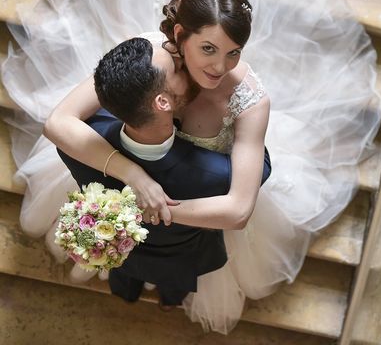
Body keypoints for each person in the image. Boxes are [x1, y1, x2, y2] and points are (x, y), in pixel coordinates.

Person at [1, 0, 381, 333]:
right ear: (180, 36)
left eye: (234, 52)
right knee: (123, 260)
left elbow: (239, 210)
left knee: (183, 270)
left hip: (194, 203)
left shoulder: (250, 102)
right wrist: (132, 176)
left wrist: (153, 210)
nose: (220, 68)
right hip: (136, 159)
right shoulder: (149, 57)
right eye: (208, 50)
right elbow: (59, 121)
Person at [57, 36, 271, 310]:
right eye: (177, 70)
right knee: (174, 290)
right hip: (179, 259)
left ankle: (126, 295)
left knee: (121, 275)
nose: (184, 65)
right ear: (162, 102)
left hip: (118, 250)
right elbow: (259, 168)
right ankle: (169, 302)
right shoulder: (218, 177)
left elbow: (59, 123)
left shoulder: (78, 144)